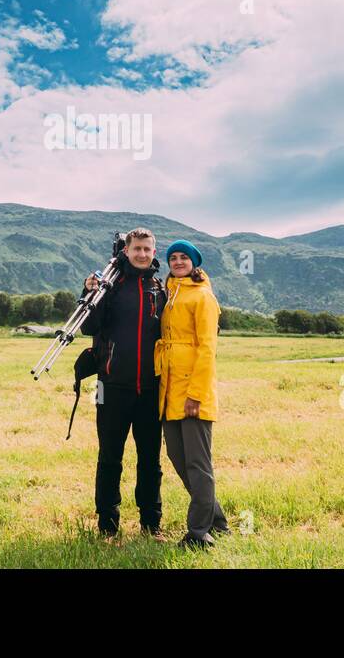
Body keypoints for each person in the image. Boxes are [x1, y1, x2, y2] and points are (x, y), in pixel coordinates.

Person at [81, 227, 167, 539]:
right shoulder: (110, 286)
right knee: (109, 459)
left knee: (150, 461)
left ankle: (151, 524)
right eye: (137, 249)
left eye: (147, 249)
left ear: (153, 253)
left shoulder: (160, 289)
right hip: (111, 387)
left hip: (150, 390)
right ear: (126, 251)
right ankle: (107, 526)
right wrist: (89, 291)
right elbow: (88, 325)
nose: (142, 254)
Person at [156, 239, 229, 548]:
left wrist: (195, 395)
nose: (177, 261)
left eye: (184, 257)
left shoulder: (203, 297)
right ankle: (218, 521)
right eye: (173, 257)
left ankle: (198, 533)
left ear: (194, 262)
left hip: (193, 392)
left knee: (198, 464)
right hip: (169, 389)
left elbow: (207, 349)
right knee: (178, 457)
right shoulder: (169, 295)